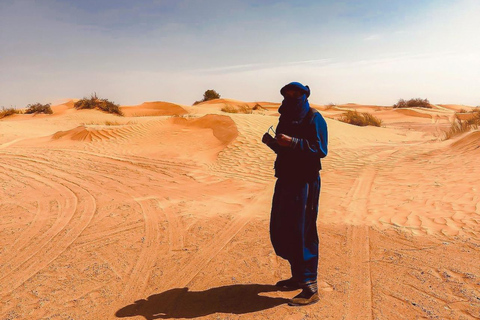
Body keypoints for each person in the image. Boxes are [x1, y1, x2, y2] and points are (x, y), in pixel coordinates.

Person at [262, 82, 328, 306]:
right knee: (285, 227)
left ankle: (310, 286)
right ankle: (298, 277)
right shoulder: (286, 117)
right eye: (287, 95)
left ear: (305, 95)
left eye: (296, 94)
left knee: (304, 230)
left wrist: (294, 141)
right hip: (286, 179)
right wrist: (273, 143)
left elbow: (321, 150)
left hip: (305, 182)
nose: (291, 98)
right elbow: (285, 149)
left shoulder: (314, 117)